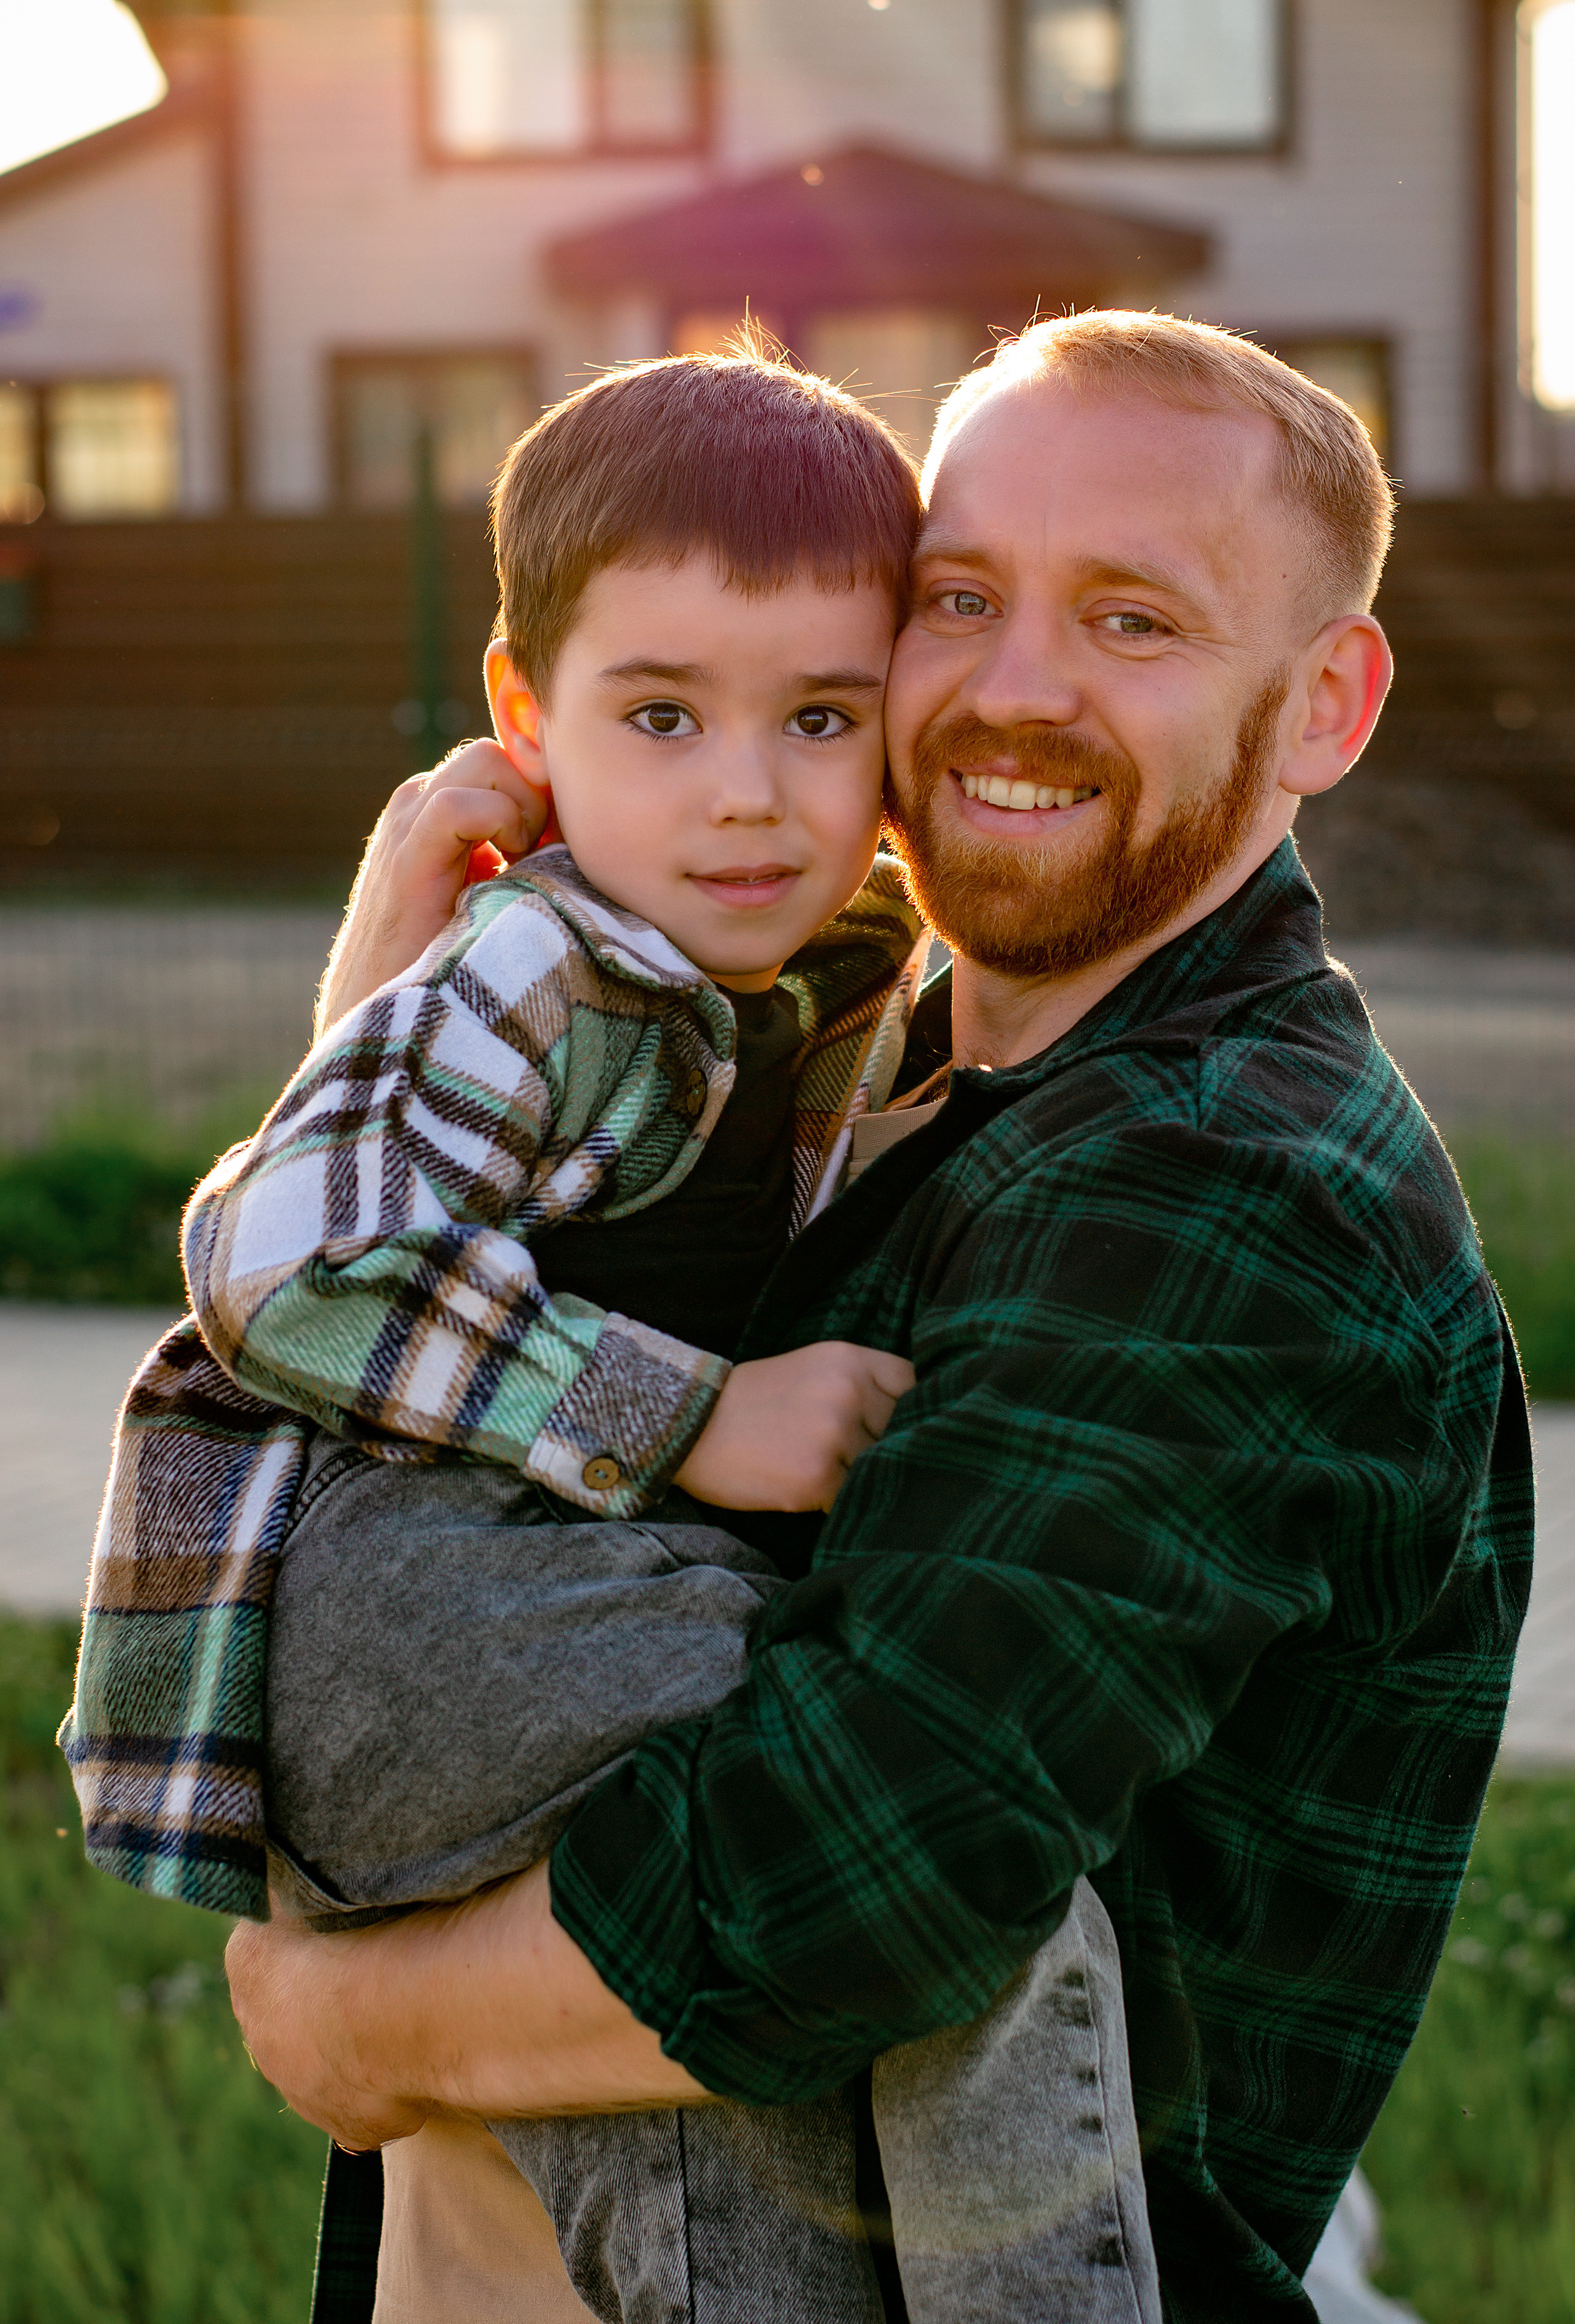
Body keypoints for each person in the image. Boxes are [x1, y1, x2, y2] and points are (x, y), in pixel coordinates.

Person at [221, 311, 1534, 2324]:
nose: (1015, 691)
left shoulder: (1226, 1186)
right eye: (961, 598)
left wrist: (349, 2022)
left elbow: (850, 1890)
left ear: (1326, 704)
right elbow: (377, 1332)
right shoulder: (874, 1039)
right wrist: (396, 1029)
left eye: (1134, 622)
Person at [62, 350, 1159, 2322]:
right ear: (526, 717)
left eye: (820, 717)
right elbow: (276, 1254)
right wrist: (694, 1416)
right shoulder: (551, 961)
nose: (748, 791)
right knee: (927, 1855)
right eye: (660, 714)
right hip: (425, 1607)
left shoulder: (812, 970)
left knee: (720, 2122)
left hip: (531, 1608)